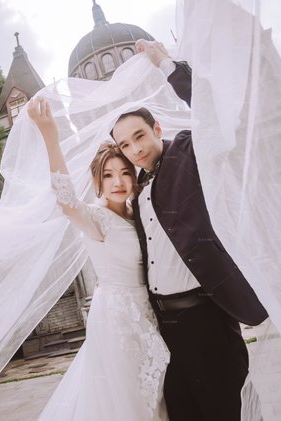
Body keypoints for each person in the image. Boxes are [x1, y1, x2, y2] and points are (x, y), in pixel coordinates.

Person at [110, 39, 268, 421]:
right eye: (125, 145)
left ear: (156, 128)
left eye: (139, 136)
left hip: (204, 316)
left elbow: (212, 112)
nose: (135, 149)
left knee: (226, 409)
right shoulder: (138, 187)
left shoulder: (187, 152)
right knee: (182, 412)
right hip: (164, 326)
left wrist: (165, 63)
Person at [27, 96, 170, 421]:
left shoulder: (138, 211)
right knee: (130, 401)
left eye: (125, 173)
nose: (118, 182)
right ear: (97, 181)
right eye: (108, 175)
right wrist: (50, 136)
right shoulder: (96, 218)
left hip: (148, 313)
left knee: (156, 394)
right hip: (117, 319)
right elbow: (65, 200)